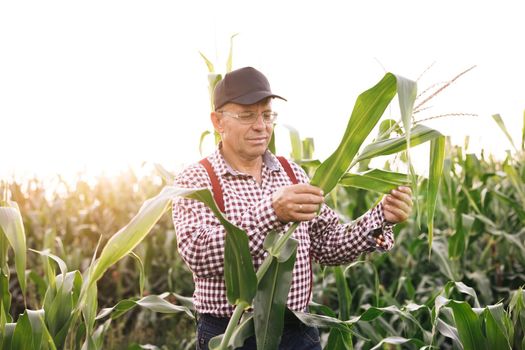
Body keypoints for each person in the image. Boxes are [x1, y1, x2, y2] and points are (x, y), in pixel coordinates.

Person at [172, 67, 413, 350]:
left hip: (297, 332)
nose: (261, 126)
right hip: (230, 336)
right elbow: (198, 254)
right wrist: (271, 214)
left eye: (267, 114)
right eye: (247, 115)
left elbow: (328, 244)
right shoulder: (197, 180)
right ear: (218, 121)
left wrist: (381, 216)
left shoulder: (292, 173)